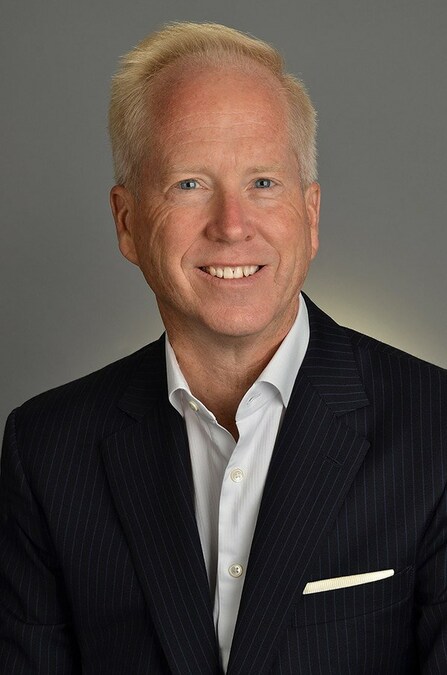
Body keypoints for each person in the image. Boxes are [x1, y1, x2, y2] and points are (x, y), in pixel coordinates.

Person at [0, 21, 446, 675]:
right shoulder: (45, 451)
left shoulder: (436, 428)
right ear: (127, 222)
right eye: (189, 183)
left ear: (310, 214)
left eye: (263, 182)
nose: (232, 226)